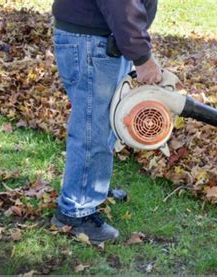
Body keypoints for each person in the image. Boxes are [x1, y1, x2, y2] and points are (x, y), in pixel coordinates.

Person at [50, 0, 161, 244]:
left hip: (100, 37)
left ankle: (91, 185)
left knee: (104, 121)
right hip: (91, 40)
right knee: (93, 127)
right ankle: (76, 211)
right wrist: (142, 57)